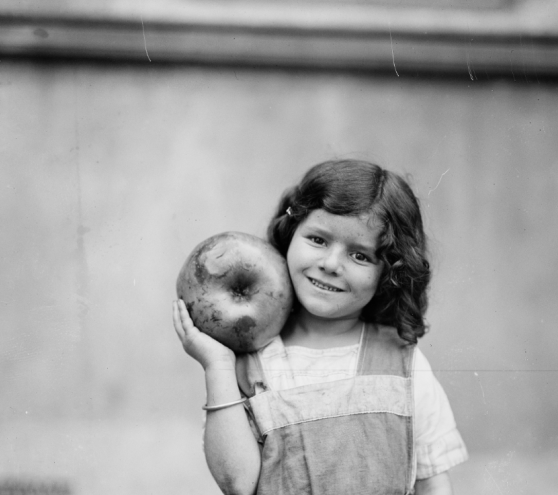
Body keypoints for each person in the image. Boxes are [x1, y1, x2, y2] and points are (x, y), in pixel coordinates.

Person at [172, 159, 468, 495]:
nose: (330, 264)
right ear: (291, 233)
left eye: (360, 256)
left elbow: (433, 485)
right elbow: (237, 483)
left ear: (388, 274)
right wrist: (218, 366)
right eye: (317, 239)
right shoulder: (250, 364)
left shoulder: (404, 366)